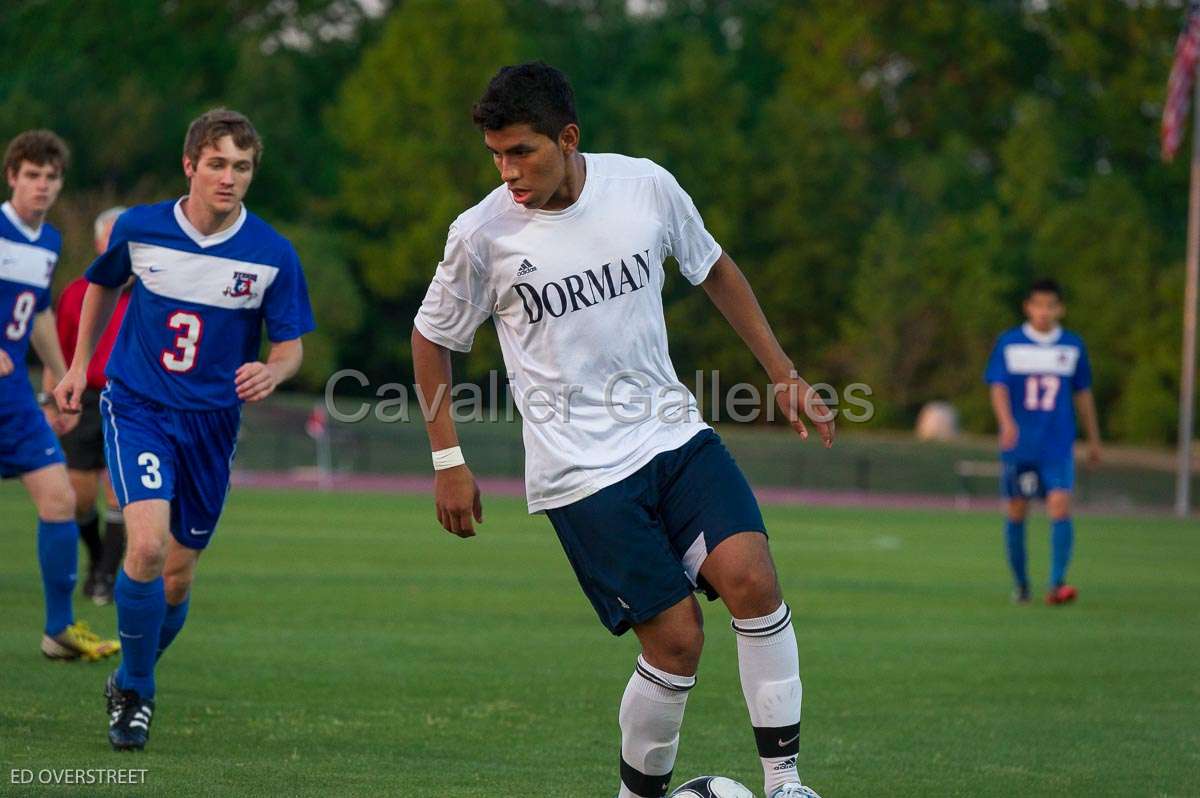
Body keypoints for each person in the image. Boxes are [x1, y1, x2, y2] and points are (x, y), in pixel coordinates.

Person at [411, 63, 832, 798]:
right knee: (677, 645)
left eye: (523, 153)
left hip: (673, 435)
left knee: (754, 581)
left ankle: (786, 783)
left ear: (568, 139)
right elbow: (430, 335)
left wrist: (783, 372)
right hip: (581, 475)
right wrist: (448, 457)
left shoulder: (644, 185)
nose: (509, 172)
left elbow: (715, 269)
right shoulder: (481, 235)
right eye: (497, 156)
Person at [55, 108, 316, 751]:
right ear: (190, 165)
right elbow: (99, 287)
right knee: (143, 548)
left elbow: (291, 348)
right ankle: (138, 695)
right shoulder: (140, 228)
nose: (229, 178)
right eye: (218, 164)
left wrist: (272, 372)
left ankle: (127, 675)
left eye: (242, 167)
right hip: (137, 405)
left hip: (212, 426)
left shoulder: (272, 254)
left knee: (175, 576)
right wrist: (79, 366)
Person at [1, 129, 120, 662]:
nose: (42, 186)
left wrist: (62, 379)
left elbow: (40, 313)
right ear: (12, 177)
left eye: (51, 177)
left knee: (60, 500)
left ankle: (57, 631)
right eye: (32, 175)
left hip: (15, 396)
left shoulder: (47, 242)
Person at [985, 278, 1101, 605]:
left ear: (1060, 308)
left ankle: (1056, 584)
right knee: (1017, 510)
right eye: (1038, 305)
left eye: (1051, 305)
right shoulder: (1010, 343)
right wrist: (1006, 422)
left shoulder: (1072, 346)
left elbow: (1083, 393)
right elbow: (997, 387)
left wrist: (1093, 439)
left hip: (1057, 443)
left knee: (1061, 504)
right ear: (1028, 307)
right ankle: (1021, 584)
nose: (1044, 312)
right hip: (1021, 445)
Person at [45, 206, 130, 605]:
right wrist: (52, 401)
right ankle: (97, 558)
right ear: (99, 244)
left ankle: (104, 578)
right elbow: (56, 353)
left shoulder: (148, 294)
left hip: (129, 400)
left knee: (118, 492)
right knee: (79, 496)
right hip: (83, 398)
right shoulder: (78, 293)